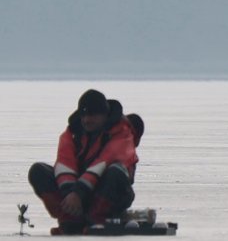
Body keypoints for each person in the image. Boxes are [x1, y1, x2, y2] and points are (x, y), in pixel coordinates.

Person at [28, 89, 144, 233]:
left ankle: (96, 219)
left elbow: (104, 162)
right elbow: (65, 165)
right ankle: (70, 217)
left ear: (105, 115)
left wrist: (78, 193)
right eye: (83, 115)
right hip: (78, 195)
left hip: (111, 192)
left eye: (93, 115)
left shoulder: (122, 133)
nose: (87, 120)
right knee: (38, 171)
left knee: (115, 172)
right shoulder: (72, 134)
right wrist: (70, 195)